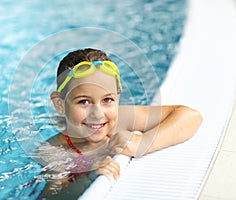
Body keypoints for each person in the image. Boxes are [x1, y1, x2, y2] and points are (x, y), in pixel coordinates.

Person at [38, 48, 203, 198]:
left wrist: (143, 142)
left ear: (117, 97)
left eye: (107, 100)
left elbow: (191, 116)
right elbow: (54, 195)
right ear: (60, 104)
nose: (97, 113)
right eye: (84, 102)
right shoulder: (53, 150)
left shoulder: (122, 119)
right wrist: (88, 178)